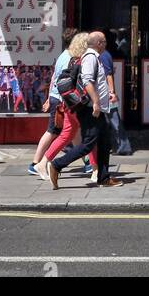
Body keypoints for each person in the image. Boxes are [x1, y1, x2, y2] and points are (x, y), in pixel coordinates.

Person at [45, 31, 120, 189]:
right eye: (104, 42)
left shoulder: (93, 57)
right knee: (88, 144)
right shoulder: (90, 57)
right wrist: (96, 102)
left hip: (96, 109)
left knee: (105, 143)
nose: (106, 44)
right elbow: (86, 81)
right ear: (99, 43)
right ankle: (57, 165)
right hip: (90, 109)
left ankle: (104, 177)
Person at [30, 26, 79, 174]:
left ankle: (88, 161)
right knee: (53, 131)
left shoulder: (63, 55)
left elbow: (54, 78)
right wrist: (66, 99)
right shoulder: (69, 58)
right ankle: (35, 163)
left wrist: (48, 98)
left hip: (56, 97)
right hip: (61, 99)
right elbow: (64, 81)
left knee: (74, 130)